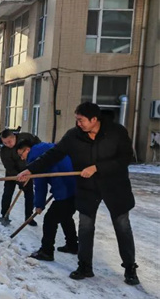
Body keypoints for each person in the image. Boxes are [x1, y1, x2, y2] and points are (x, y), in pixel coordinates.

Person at [17, 102, 139, 285]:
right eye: (77, 120)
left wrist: (97, 167)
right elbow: (53, 154)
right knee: (85, 227)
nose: (78, 123)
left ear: (94, 119)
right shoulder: (73, 136)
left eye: (81, 120)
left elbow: (125, 158)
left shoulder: (116, 132)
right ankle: (84, 266)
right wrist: (30, 170)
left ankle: (130, 268)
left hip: (115, 186)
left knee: (122, 226)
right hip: (87, 187)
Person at [16, 138, 78, 261]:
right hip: (77, 185)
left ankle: (46, 251)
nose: (22, 159)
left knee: (50, 219)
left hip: (65, 188)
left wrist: (39, 205)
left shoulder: (36, 159)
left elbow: (40, 184)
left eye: (21, 155)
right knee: (65, 215)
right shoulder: (49, 148)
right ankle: (72, 245)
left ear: (27, 150)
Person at [0, 128, 40, 225]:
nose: (8, 144)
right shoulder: (4, 150)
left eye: (9, 141)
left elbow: (38, 145)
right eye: (5, 143)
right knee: (8, 192)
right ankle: (4, 215)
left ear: (14, 137)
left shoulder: (26, 138)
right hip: (12, 173)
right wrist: (19, 179)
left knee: (29, 194)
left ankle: (28, 217)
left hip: (27, 170)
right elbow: (9, 167)